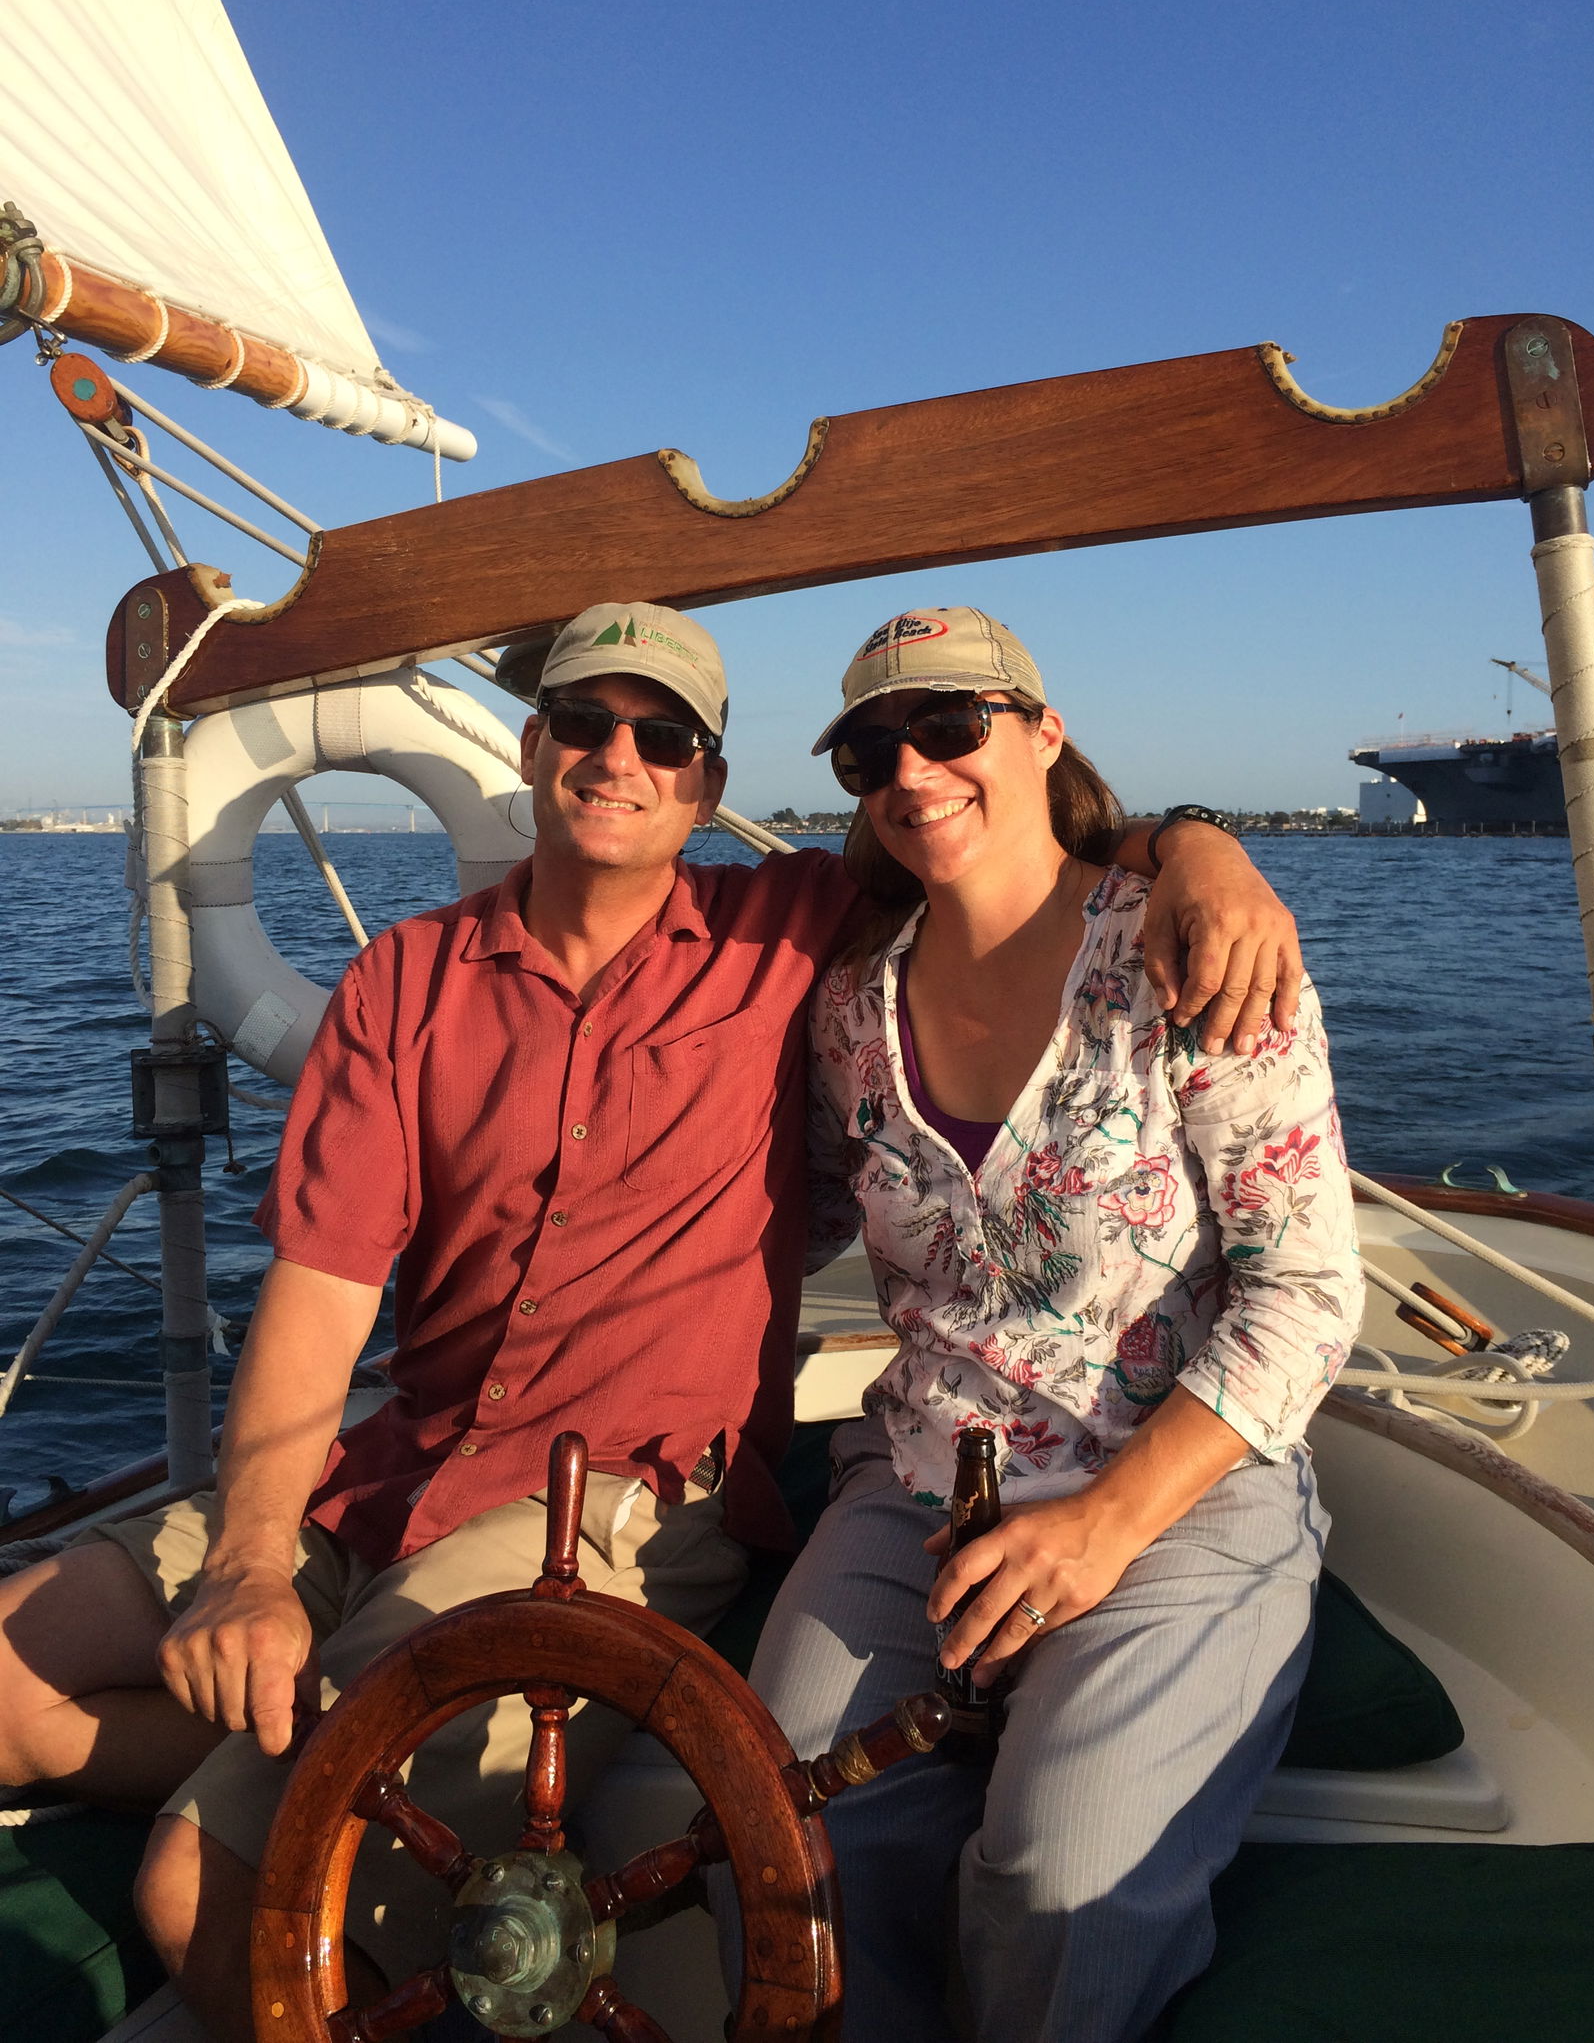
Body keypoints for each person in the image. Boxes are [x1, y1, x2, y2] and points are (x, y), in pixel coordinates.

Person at [0, 601, 1304, 2040]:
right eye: (586, 720)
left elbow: (1012, 851)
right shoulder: (427, 981)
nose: (620, 756)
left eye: (665, 736)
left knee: (197, 1886)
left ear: (707, 780)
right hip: (392, 1467)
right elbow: (320, 1293)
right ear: (530, 742)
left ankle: (277, 1791)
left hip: (610, 1497)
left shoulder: (791, 934)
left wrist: (1202, 847)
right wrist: (250, 1558)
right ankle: (292, 1743)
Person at [740, 607, 1363, 2043]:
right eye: (871, 751)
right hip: (918, 1487)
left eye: (950, 725)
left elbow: (1309, 1290)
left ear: (1041, 732)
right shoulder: (849, 1009)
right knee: (780, 1834)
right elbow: (786, 1213)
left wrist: (1102, 1526)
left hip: (1174, 1487)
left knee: (1061, 1879)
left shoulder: (1188, 953)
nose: (912, 770)